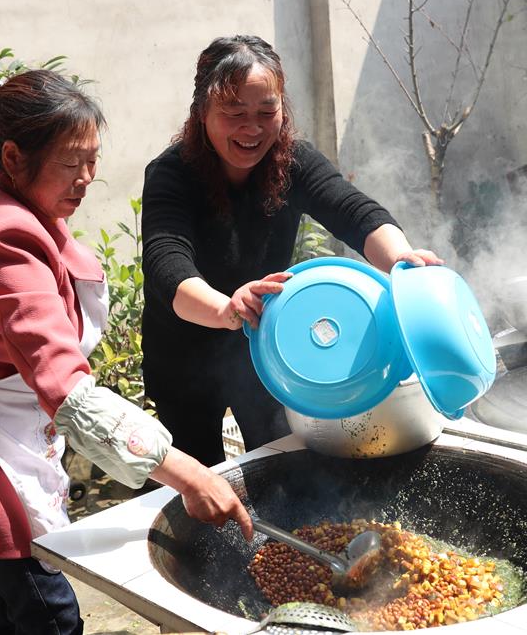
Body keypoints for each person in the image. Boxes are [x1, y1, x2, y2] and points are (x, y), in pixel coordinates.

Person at [0, 70, 252, 635]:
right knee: (46, 610)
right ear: (13, 156)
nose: (86, 179)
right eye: (70, 162)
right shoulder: (1, 239)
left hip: (0, 427)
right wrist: (189, 475)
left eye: (93, 160)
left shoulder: (18, 201)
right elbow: (68, 391)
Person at [141, 35, 443, 467]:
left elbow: (351, 209)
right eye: (234, 114)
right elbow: (167, 263)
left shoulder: (291, 160)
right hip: (183, 358)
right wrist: (228, 308)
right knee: (202, 483)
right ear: (201, 113)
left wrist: (400, 258)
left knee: (283, 468)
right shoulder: (172, 176)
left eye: (267, 112)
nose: (253, 129)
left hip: (268, 349)